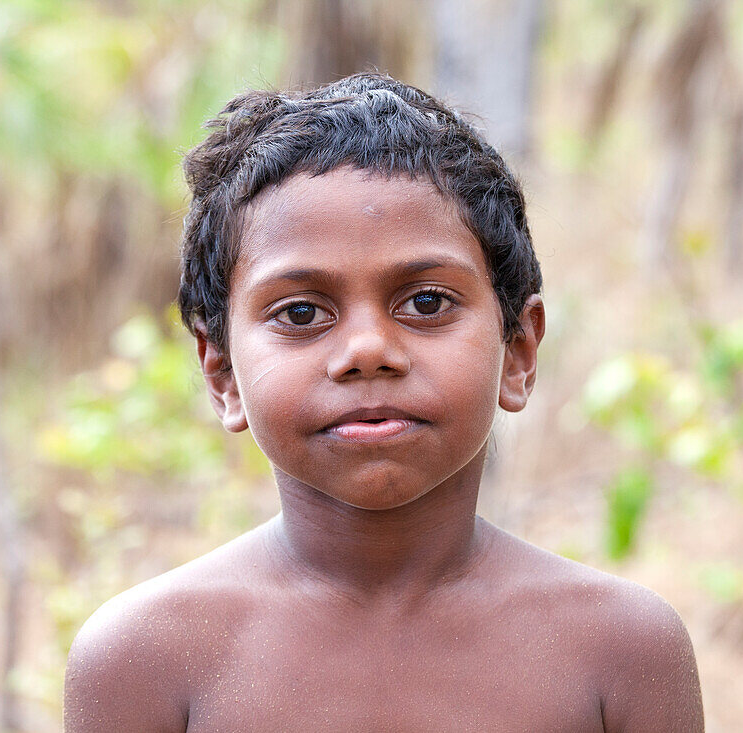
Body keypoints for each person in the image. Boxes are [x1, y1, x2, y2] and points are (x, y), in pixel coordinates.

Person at [64, 72, 703, 732]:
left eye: (426, 303)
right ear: (222, 370)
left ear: (517, 349)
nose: (368, 349)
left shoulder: (621, 651)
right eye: (303, 311)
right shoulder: (144, 660)